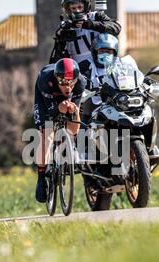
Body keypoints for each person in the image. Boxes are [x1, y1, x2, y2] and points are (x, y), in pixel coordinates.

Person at [33, 58, 87, 203]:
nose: (67, 88)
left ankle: (70, 148)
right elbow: (51, 113)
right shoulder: (46, 80)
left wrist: (73, 111)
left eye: (71, 83)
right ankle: (41, 177)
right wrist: (59, 108)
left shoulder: (80, 83)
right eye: (63, 83)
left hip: (64, 99)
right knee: (47, 134)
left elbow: (75, 121)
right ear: (57, 79)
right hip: (46, 96)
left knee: (74, 120)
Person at [50, 0, 122, 64]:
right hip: (78, 69)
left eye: (80, 7)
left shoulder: (96, 16)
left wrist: (91, 25)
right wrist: (61, 40)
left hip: (101, 63)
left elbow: (116, 27)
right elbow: (57, 58)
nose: (77, 11)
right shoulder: (66, 26)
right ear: (68, 10)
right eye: (73, 8)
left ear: (86, 7)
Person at [79, 32, 121, 124]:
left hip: (117, 105)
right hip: (92, 107)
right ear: (95, 52)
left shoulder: (121, 64)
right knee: (82, 132)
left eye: (109, 51)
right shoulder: (85, 65)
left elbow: (134, 77)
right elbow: (76, 83)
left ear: (115, 52)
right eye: (102, 51)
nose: (105, 54)